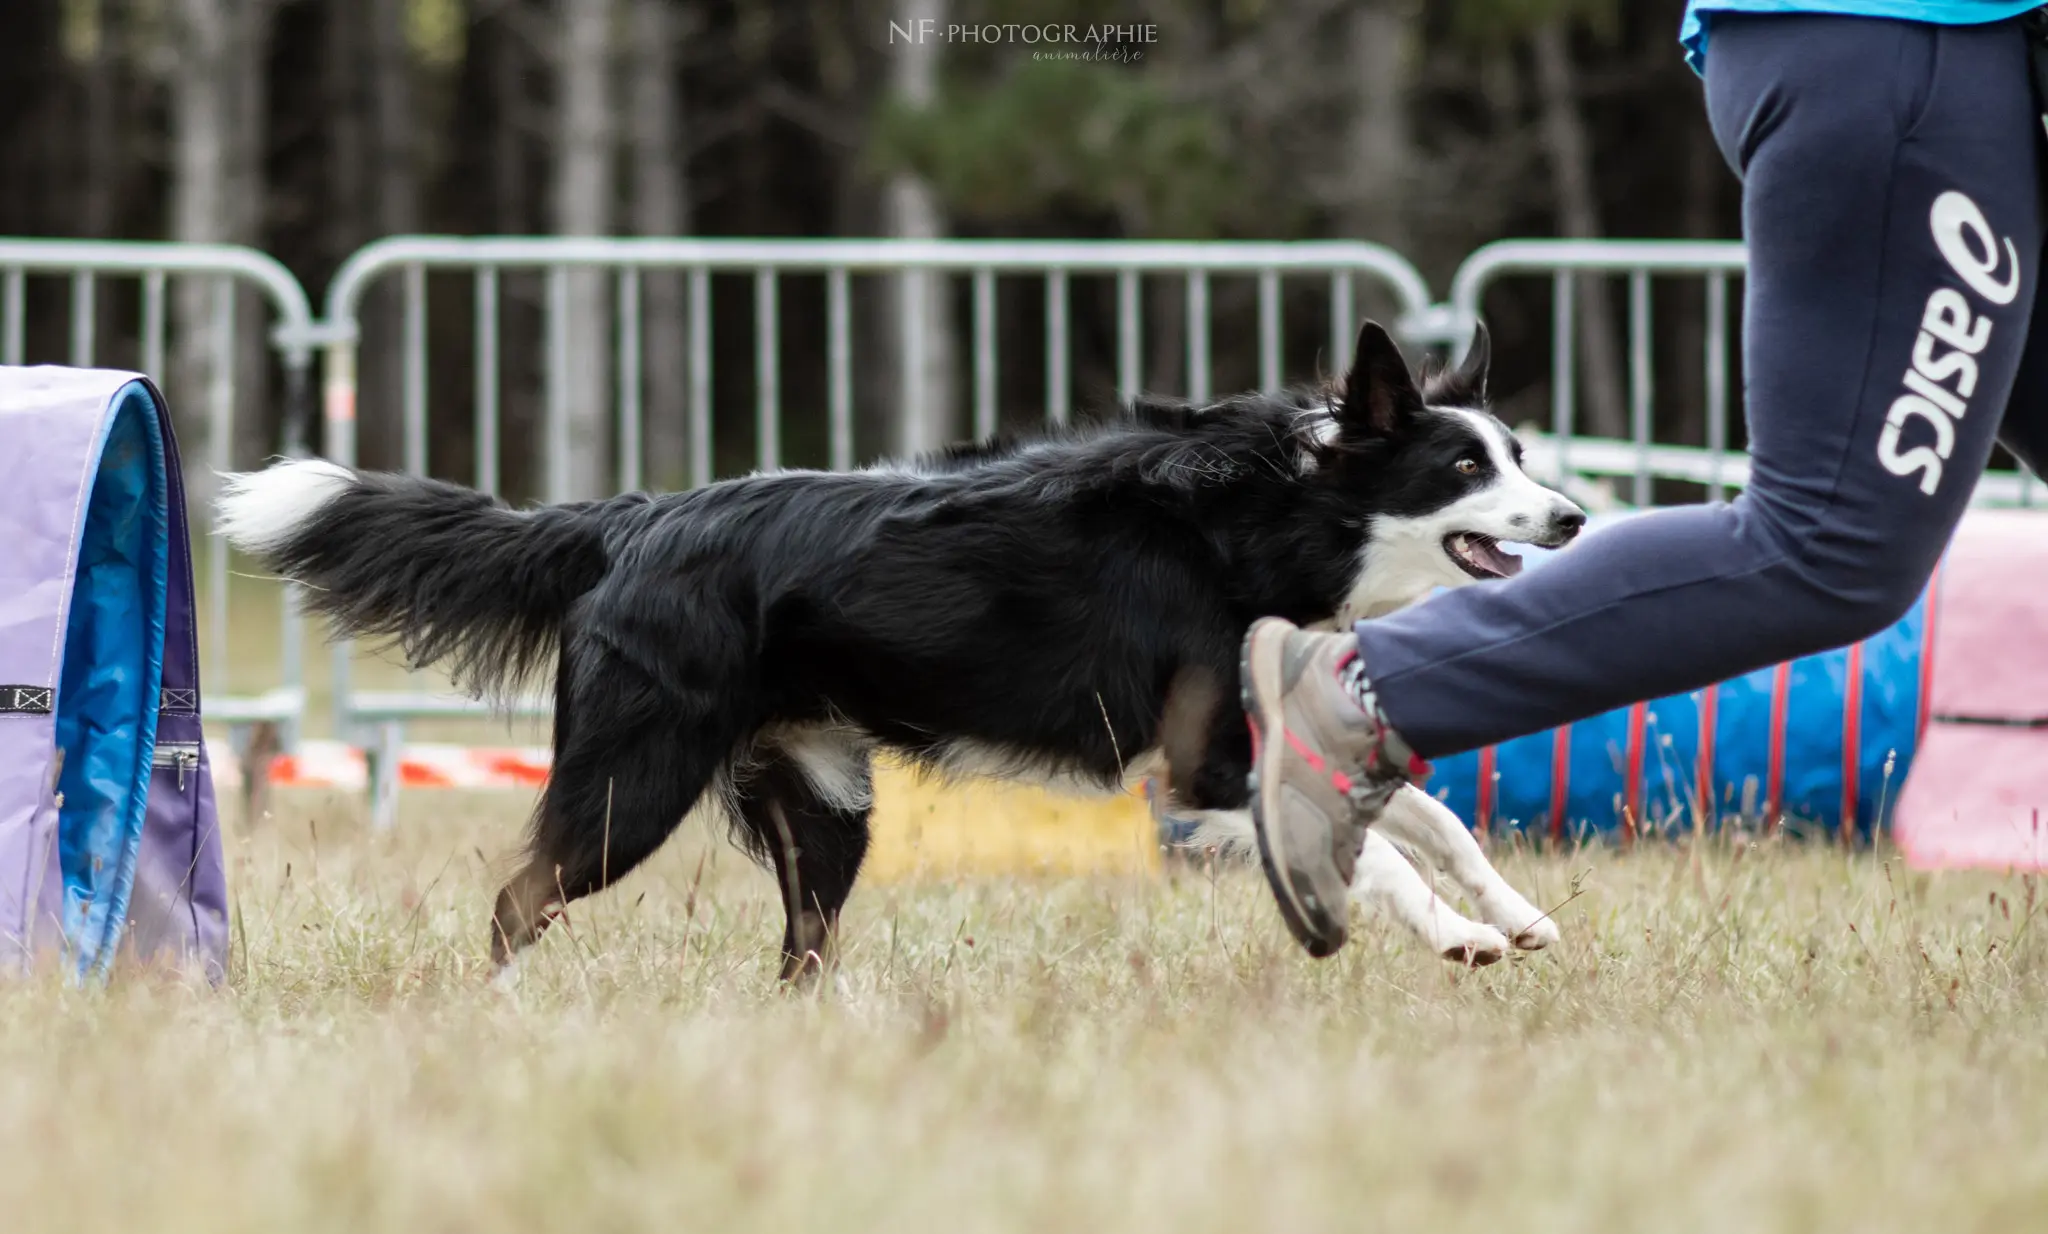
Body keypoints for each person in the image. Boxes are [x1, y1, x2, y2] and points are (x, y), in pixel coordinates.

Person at [1243, 0, 2048, 957]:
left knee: (1833, 545)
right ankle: (1364, 695)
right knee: (1830, 544)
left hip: (1921, 59)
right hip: (1904, 53)